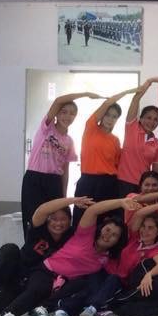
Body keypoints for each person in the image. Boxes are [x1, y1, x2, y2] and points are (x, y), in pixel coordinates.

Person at [0, 197, 134, 316]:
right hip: (47, 271)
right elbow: (93, 210)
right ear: (101, 228)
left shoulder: (107, 259)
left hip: (64, 283)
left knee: (85, 285)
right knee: (38, 289)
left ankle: (43, 309)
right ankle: (8, 314)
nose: (108, 235)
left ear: (117, 241)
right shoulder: (85, 235)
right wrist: (121, 202)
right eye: (107, 230)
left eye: (114, 235)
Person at [21, 90, 99, 238]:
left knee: (55, 218)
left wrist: (63, 196)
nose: (68, 116)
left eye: (72, 113)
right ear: (56, 114)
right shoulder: (46, 128)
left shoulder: (69, 141)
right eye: (64, 112)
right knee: (33, 217)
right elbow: (58, 101)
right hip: (34, 179)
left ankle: (51, 249)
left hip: (54, 181)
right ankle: (32, 247)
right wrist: (85, 94)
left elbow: (65, 170)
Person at [72, 86, 138, 225]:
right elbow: (107, 103)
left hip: (109, 183)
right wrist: (127, 91)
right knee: (82, 220)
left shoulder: (115, 140)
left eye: (114, 116)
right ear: (102, 115)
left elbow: (116, 164)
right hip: (88, 182)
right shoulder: (91, 128)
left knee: (106, 221)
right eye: (107, 115)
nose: (110, 119)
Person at [116, 77, 158, 198]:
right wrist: (149, 82)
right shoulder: (132, 127)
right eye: (148, 117)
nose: (152, 122)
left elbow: (156, 171)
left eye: (156, 119)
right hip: (123, 183)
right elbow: (135, 99)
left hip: (144, 187)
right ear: (141, 118)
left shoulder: (157, 144)